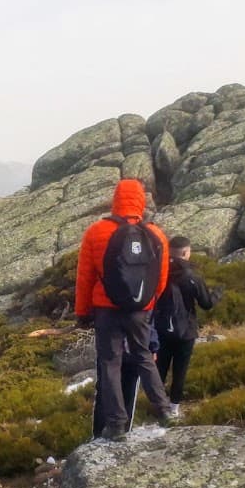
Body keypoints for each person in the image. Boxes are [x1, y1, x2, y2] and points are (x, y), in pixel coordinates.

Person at [75, 178, 174, 441]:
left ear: (115, 199)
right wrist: (146, 303)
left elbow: (85, 277)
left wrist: (83, 312)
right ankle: (164, 409)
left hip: (106, 310)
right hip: (141, 311)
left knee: (110, 363)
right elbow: (161, 279)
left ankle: (117, 424)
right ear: (141, 200)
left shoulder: (96, 232)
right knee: (143, 356)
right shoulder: (156, 233)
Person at [155, 236, 218, 419]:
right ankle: (174, 408)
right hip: (186, 331)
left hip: (162, 328)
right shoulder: (192, 276)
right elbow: (206, 304)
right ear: (186, 252)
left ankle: (159, 405)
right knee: (179, 370)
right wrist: (217, 295)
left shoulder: (159, 272)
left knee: (160, 367)